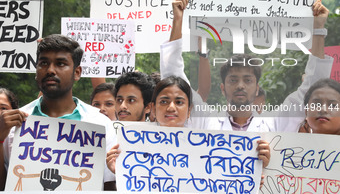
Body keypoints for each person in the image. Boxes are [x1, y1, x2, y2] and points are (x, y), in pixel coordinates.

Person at [160, 0, 334, 132]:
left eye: (248, 80)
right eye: (233, 80)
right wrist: (178, 20)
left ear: (257, 88)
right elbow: (173, 79)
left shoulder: (275, 124)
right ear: (222, 88)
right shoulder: (206, 122)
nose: (240, 85)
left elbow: (312, 88)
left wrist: (318, 29)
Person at [106, 75, 271, 189]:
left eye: (179, 102)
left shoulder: (210, 144)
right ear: (153, 109)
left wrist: (249, 179)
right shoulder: (130, 143)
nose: (171, 107)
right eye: (164, 101)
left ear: (189, 110)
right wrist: (120, 174)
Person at [0, 34, 116, 190]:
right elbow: (4, 184)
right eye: (43, 63)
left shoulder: (100, 124)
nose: (50, 70)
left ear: (77, 72)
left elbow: (109, 186)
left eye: (60, 64)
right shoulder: (13, 124)